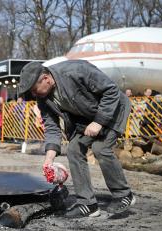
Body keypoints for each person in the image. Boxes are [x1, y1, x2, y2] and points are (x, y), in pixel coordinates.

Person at [18, 60, 135, 218]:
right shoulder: (43, 98)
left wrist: (99, 122)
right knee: (74, 149)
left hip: (114, 108)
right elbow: (52, 127)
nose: (34, 94)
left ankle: (123, 194)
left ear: (46, 78)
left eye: (34, 89)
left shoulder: (77, 70)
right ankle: (88, 204)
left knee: (101, 148)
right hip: (87, 117)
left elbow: (111, 91)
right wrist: (49, 158)